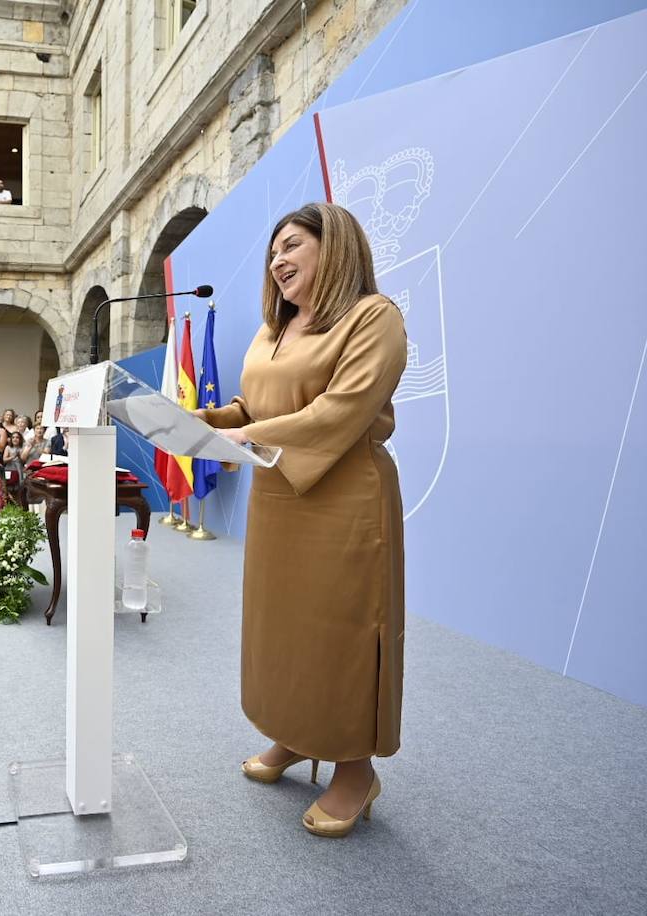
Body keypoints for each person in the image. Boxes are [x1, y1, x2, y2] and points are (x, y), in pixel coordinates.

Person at [197, 202, 407, 839]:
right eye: (272, 252)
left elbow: (336, 414)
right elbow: (252, 404)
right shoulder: (274, 327)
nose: (277, 261)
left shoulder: (374, 318)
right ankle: (293, 733)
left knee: (339, 631)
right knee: (281, 628)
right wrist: (205, 425)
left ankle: (354, 770)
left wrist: (241, 437)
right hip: (278, 496)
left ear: (334, 247)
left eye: (290, 246)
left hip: (344, 500)